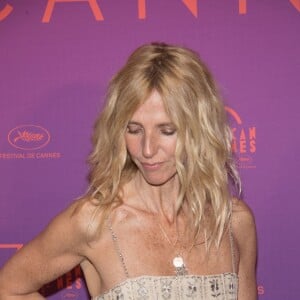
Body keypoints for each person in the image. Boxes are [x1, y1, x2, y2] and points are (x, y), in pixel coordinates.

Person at [0, 42, 257, 299]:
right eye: (133, 129)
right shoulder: (94, 222)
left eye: (167, 130)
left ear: (199, 130)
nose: (147, 149)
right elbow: (9, 289)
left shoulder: (234, 221)